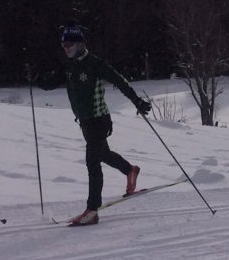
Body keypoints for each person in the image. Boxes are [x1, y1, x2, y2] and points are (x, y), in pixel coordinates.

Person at [39, 23, 152, 226]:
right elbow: (50, 83)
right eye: (64, 45)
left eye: (70, 45)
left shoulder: (94, 64)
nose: (66, 49)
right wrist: (35, 79)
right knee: (103, 155)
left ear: (81, 44)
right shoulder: (68, 65)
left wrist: (138, 101)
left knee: (92, 162)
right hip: (85, 122)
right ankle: (130, 170)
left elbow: (120, 81)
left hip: (99, 120)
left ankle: (92, 210)